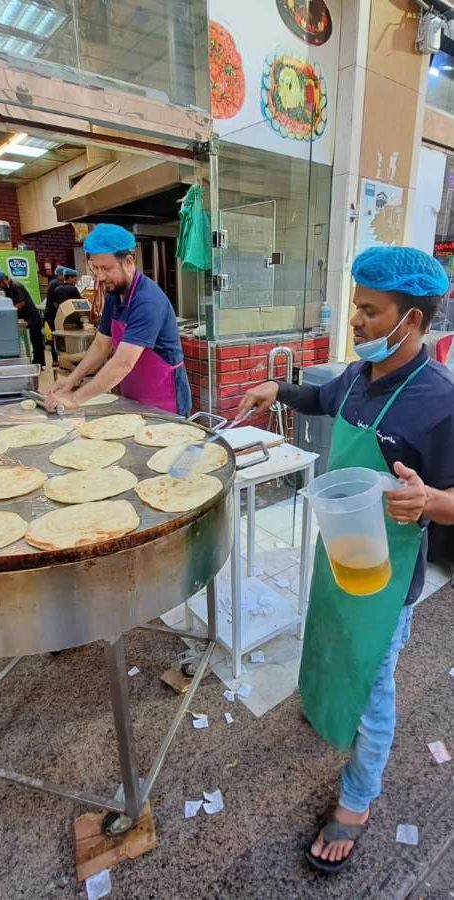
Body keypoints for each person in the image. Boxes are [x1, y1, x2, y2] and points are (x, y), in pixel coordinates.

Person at [238, 246, 454, 874]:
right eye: (356, 305)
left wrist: (430, 498)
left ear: (409, 320)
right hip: (342, 551)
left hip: (390, 575)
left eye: (368, 310)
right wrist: (276, 387)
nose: (355, 320)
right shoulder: (361, 377)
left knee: (375, 682)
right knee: (333, 643)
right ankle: (328, 710)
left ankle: (358, 799)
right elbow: (321, 400)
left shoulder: (439, 404)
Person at [45, 224, 191, 415]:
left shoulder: (147, 301)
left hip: (164, 397)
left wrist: (74, 399)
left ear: (129, 262)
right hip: (135, 394)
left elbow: (123, 363)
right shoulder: (114, 295)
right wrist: (71, 380)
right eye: (95, 268)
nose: (100, 276)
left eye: (106, 268)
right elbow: (100, 346)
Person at [0, 270, 45, 367]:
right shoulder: (7, 288)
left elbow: (21, 303)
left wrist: (8, 312)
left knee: (36, 341)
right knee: (30, 340)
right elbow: (10, 302)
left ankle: (39, 363)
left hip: (32, 317)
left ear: (3, 280)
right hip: (24, 317)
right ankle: (32, 361)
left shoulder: (16, 286)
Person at [45, 268, 81, 366]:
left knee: (57, 338)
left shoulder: (57, 288)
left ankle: (57, 360)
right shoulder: (73, 289)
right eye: (75, 278)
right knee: (69, 339)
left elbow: (55, 304)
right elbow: (80, 304)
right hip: (68, 319)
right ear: (70, 277)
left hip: (57, 317)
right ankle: (71, 360)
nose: (76, 280)